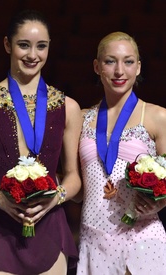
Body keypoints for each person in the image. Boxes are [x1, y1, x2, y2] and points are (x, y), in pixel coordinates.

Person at [0, 9, 82, 275]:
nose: (32, 55)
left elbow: (73, 177)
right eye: (23, 45)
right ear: (7, 45)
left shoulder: (68, 107)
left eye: (41, 46)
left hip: (49, 224)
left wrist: (55, 199)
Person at [76, 31, 166, 275]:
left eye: (128, 61)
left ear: (138, 67)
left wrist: (160, 201)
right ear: (97, 66)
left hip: (142, 235)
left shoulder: (158, 116)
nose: (119, 71)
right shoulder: (81, 118)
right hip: (93, 237)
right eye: (110, 61)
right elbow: (76, 188)